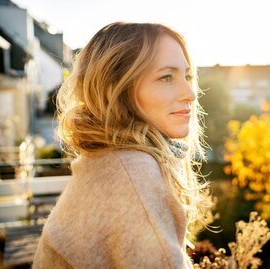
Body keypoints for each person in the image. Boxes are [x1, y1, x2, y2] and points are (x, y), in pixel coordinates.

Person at [33, 22, 215, 269]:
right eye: (166, 77)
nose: (190, 94)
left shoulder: (109, 160)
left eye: (187, 76)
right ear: (117, 90)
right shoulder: (131, 171)